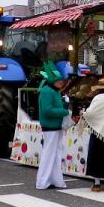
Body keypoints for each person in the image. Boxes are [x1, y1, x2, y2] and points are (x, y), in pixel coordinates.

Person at [36, 62, 70, 190]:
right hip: (50, 127)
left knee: (54, 154)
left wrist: (63, 103)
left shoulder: (52, 91)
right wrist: (64, 111)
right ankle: (43, 181)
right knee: (49, 154)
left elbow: (51, 107)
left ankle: (54, 180)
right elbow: (47, 110)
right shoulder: (47, 91)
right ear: (52, 81)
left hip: (54, 127)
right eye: (58, 80)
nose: (61, 82)